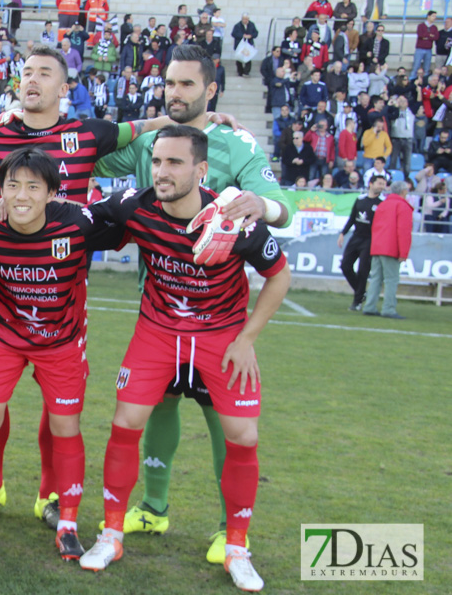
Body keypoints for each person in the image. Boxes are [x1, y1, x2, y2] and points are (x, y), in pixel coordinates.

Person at [93, 44, 295, 566]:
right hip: (158, 304)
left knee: (221, 418)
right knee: (155, 405)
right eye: (169, 83)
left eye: (186, 85)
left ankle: (231, 531)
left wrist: (261, 206)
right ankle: (152, 507)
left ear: (211, 90)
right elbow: (89, 149)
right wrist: (153, 122)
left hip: (217, 316)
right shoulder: (152, 142)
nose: (175, 93)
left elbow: (281, 209)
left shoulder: (236, 142)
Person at [0, 147, 120, 560]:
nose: (21, 196)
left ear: (53, 193)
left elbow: (132, 220)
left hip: (60, 341)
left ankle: (68, 522)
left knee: (65, 426)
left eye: (33, 186)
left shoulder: (77, 223)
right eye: (13, 185)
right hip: (0, 334)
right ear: (0, 190)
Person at [363, 181, 413, 318]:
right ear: (403, 192)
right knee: (391, 280)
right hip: (391, 247)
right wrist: (403, 252)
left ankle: (369, 306)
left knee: (375, 279)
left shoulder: (382, 204)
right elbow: (403, 231)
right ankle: (388, 309)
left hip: (378, 246)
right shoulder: (403, 206)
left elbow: (375, 227)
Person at [338, 175, 386, 310]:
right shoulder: (360, 199)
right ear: (371, 184)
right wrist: (343, 233)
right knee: (345, 266)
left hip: (370, 239)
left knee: (363, 270)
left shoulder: (382, 202)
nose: (381, 186)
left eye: (383, 184)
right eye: (379, 183)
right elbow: (352, 218)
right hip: (356, 237)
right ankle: (361, 293)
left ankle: (357, 302)